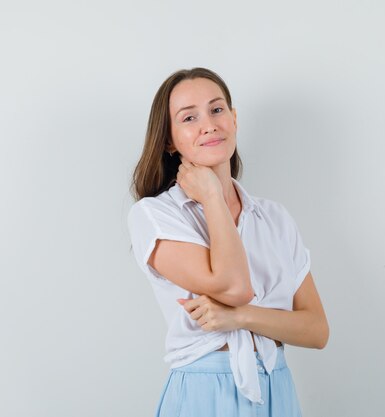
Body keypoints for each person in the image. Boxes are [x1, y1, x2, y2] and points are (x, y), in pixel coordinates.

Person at [127, 67, 329, 417]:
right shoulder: (155, 215)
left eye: (217, 110)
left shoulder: (274, 217)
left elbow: (316, 330)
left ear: (233, 119)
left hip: (277, 385)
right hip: (206, 391)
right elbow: (233, 286)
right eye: (189, 117)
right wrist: (211, 197)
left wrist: (240, 318)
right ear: (169, 140)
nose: (209, 124)